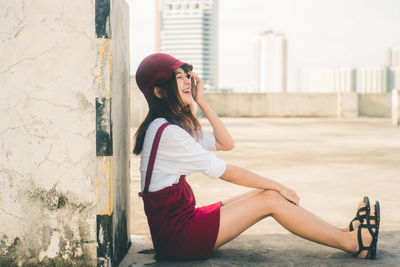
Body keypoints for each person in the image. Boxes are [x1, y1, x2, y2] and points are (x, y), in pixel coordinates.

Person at [133, 53, 380, 261]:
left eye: (187, 74)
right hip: (179, 239)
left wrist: (203, 103)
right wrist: (278, 185)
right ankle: (353, 244)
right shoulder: (168, 134)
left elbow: (225, 143)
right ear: (159, 91)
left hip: (181, 225)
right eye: (179, 77)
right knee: (270, 198)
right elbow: (226, 171)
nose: (188, 80)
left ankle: (343, 232)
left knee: (266, 195)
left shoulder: (167, 126)